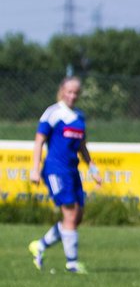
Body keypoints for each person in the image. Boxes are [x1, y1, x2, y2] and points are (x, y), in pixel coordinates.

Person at [28, 76, 102, 273]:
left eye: (76, 93)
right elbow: (39, 141)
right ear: (62, 90)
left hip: (73, 171)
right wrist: (35, 168)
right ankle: (72, 264)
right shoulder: (53, 113)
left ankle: (41, 246)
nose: (72, 96)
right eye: (69, 91)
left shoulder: (79, 117)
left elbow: (82, 147)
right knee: (69, 214)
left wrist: (93, 170)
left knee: (76, 217)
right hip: (55, 170)